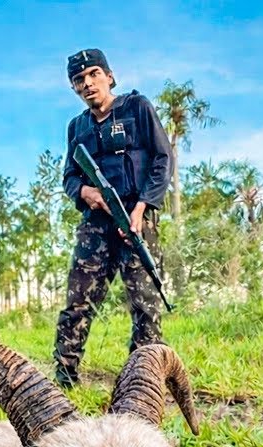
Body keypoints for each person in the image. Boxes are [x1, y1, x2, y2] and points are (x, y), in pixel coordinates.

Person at [54, 48, 173, 389]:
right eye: (79, 80)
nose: (88, 83)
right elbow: (69, 177)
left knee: (145, 304)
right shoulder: (77, 127)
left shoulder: (137, 108)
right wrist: (86, 193)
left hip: (136, 219)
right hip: (95, 226)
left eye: (93, 74)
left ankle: (145, 383)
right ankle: (64, 379)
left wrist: (142, 208)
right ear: (74, 88)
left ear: (109, 76)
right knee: (77, 303)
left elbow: (163, 159)